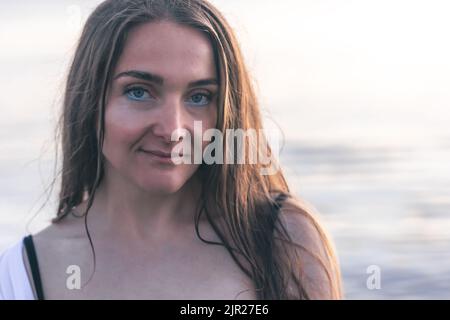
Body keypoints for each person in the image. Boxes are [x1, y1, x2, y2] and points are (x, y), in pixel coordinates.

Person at [0, 0, 343, 300]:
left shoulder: (281, 238)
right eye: (139, 91)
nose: (173, 130)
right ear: (90, 102)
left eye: (199, 97)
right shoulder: (22, 275)